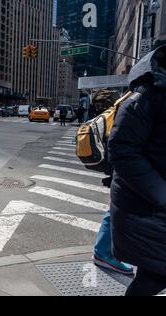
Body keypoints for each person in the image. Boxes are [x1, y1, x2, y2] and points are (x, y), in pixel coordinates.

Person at [108, 45, 166, 296]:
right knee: (154, 276)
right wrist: (162, 195)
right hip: (150, 208)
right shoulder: (149, 93)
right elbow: (121, 148)